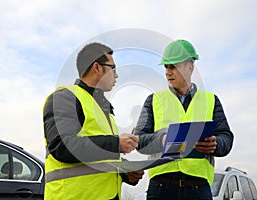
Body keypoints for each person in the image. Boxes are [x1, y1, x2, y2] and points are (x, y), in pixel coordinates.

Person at [134, 39, 234, 200]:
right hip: (161, 187)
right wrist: (162, 139)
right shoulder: (153, 100)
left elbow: (226, 138)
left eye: (173, 66)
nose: (167, 72)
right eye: (166, 67)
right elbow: (138, 140)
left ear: (190, 67)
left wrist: (216, 144)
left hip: (198, 188)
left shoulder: (211, 100)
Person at [43, 42, 144, 200]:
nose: (116, 75)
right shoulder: (65, 97)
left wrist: (125, 172)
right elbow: (62, 146)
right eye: (113, 68)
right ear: (97, 68)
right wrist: (116, 144)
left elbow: (102, 158)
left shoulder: (104, 109)